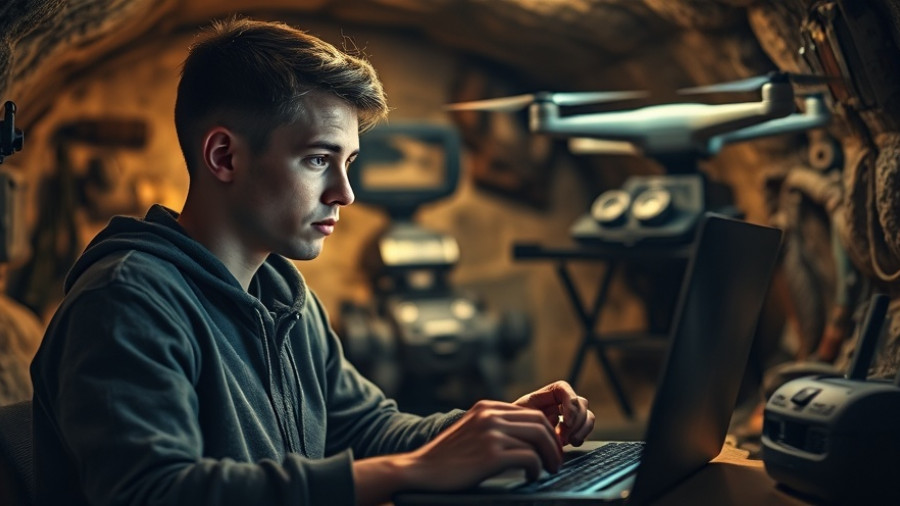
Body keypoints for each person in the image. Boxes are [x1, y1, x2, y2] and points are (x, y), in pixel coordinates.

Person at [30, 17, 595, 506]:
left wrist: (494, 427)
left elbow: (368, 429)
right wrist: (410, 472)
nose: (345, 193)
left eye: (348, 161)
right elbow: (156, 494)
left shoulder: (282, 293)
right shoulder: (127, 300)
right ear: (224, 155)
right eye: (318, 159)